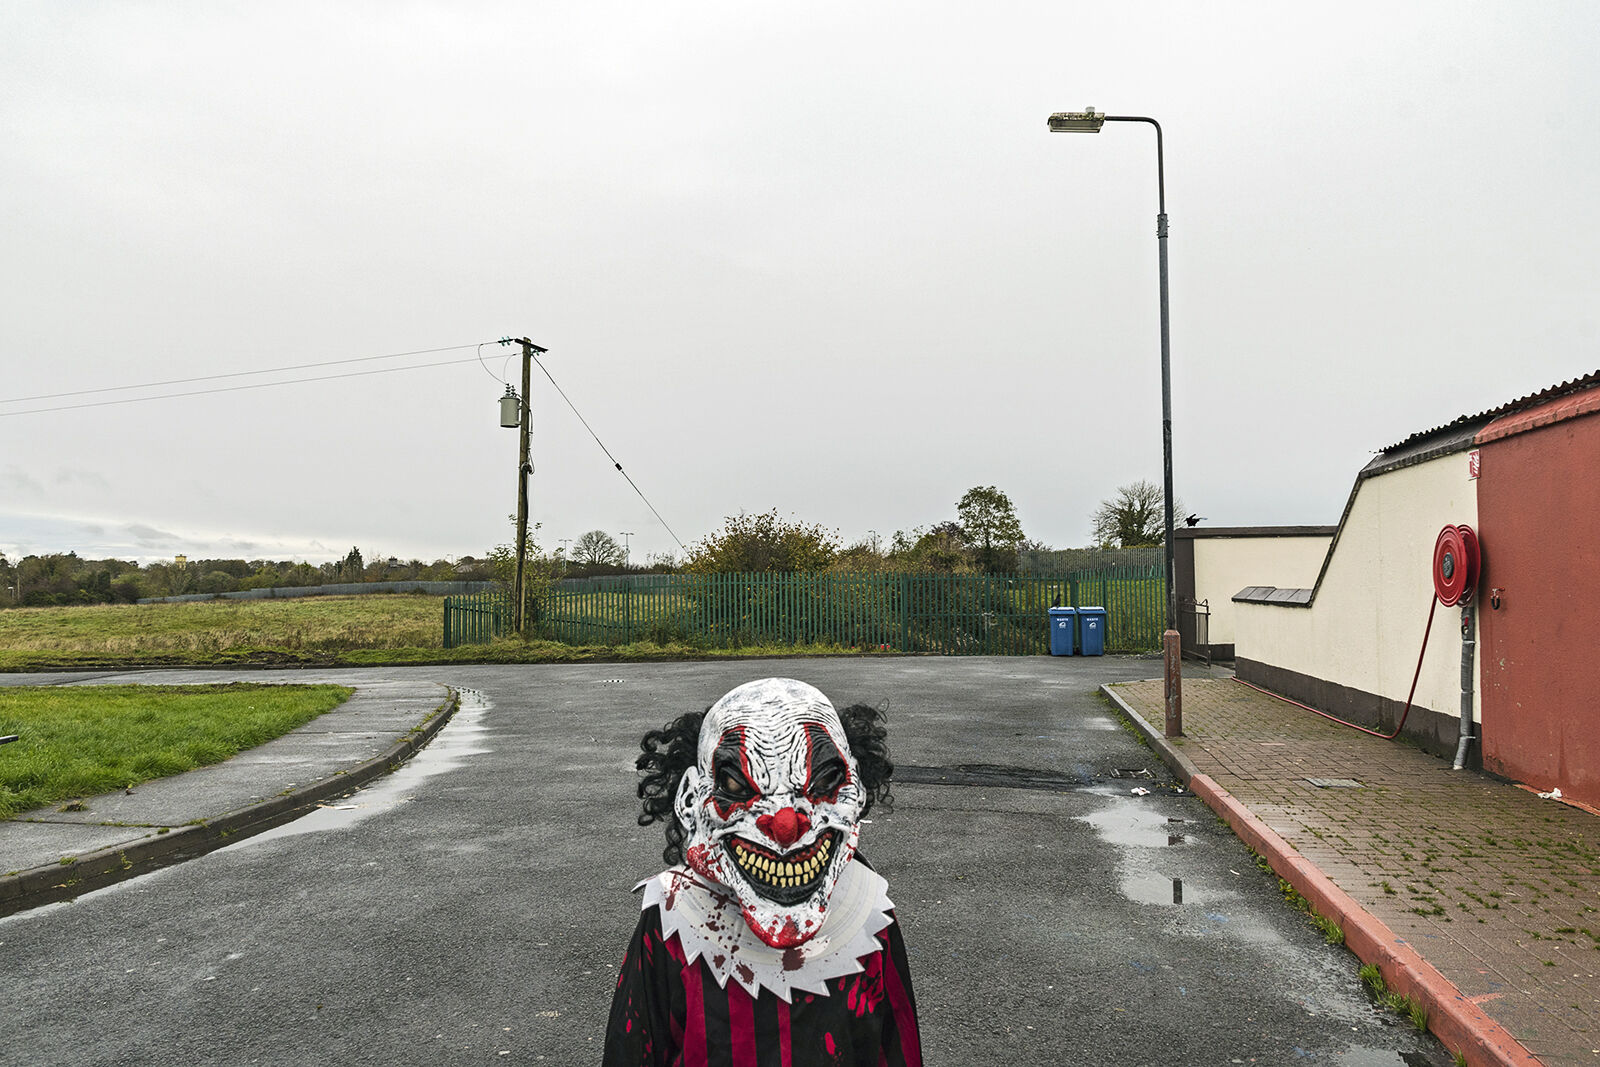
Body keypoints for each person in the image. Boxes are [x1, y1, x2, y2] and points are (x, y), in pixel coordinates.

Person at [603, 678, 922, 1066]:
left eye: (824, 781)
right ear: (690, 801)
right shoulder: (673, 913)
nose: (786, 826)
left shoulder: (867, 910)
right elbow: (634, 1050)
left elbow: (895, 1048)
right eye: (736, 784)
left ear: (856, 789)